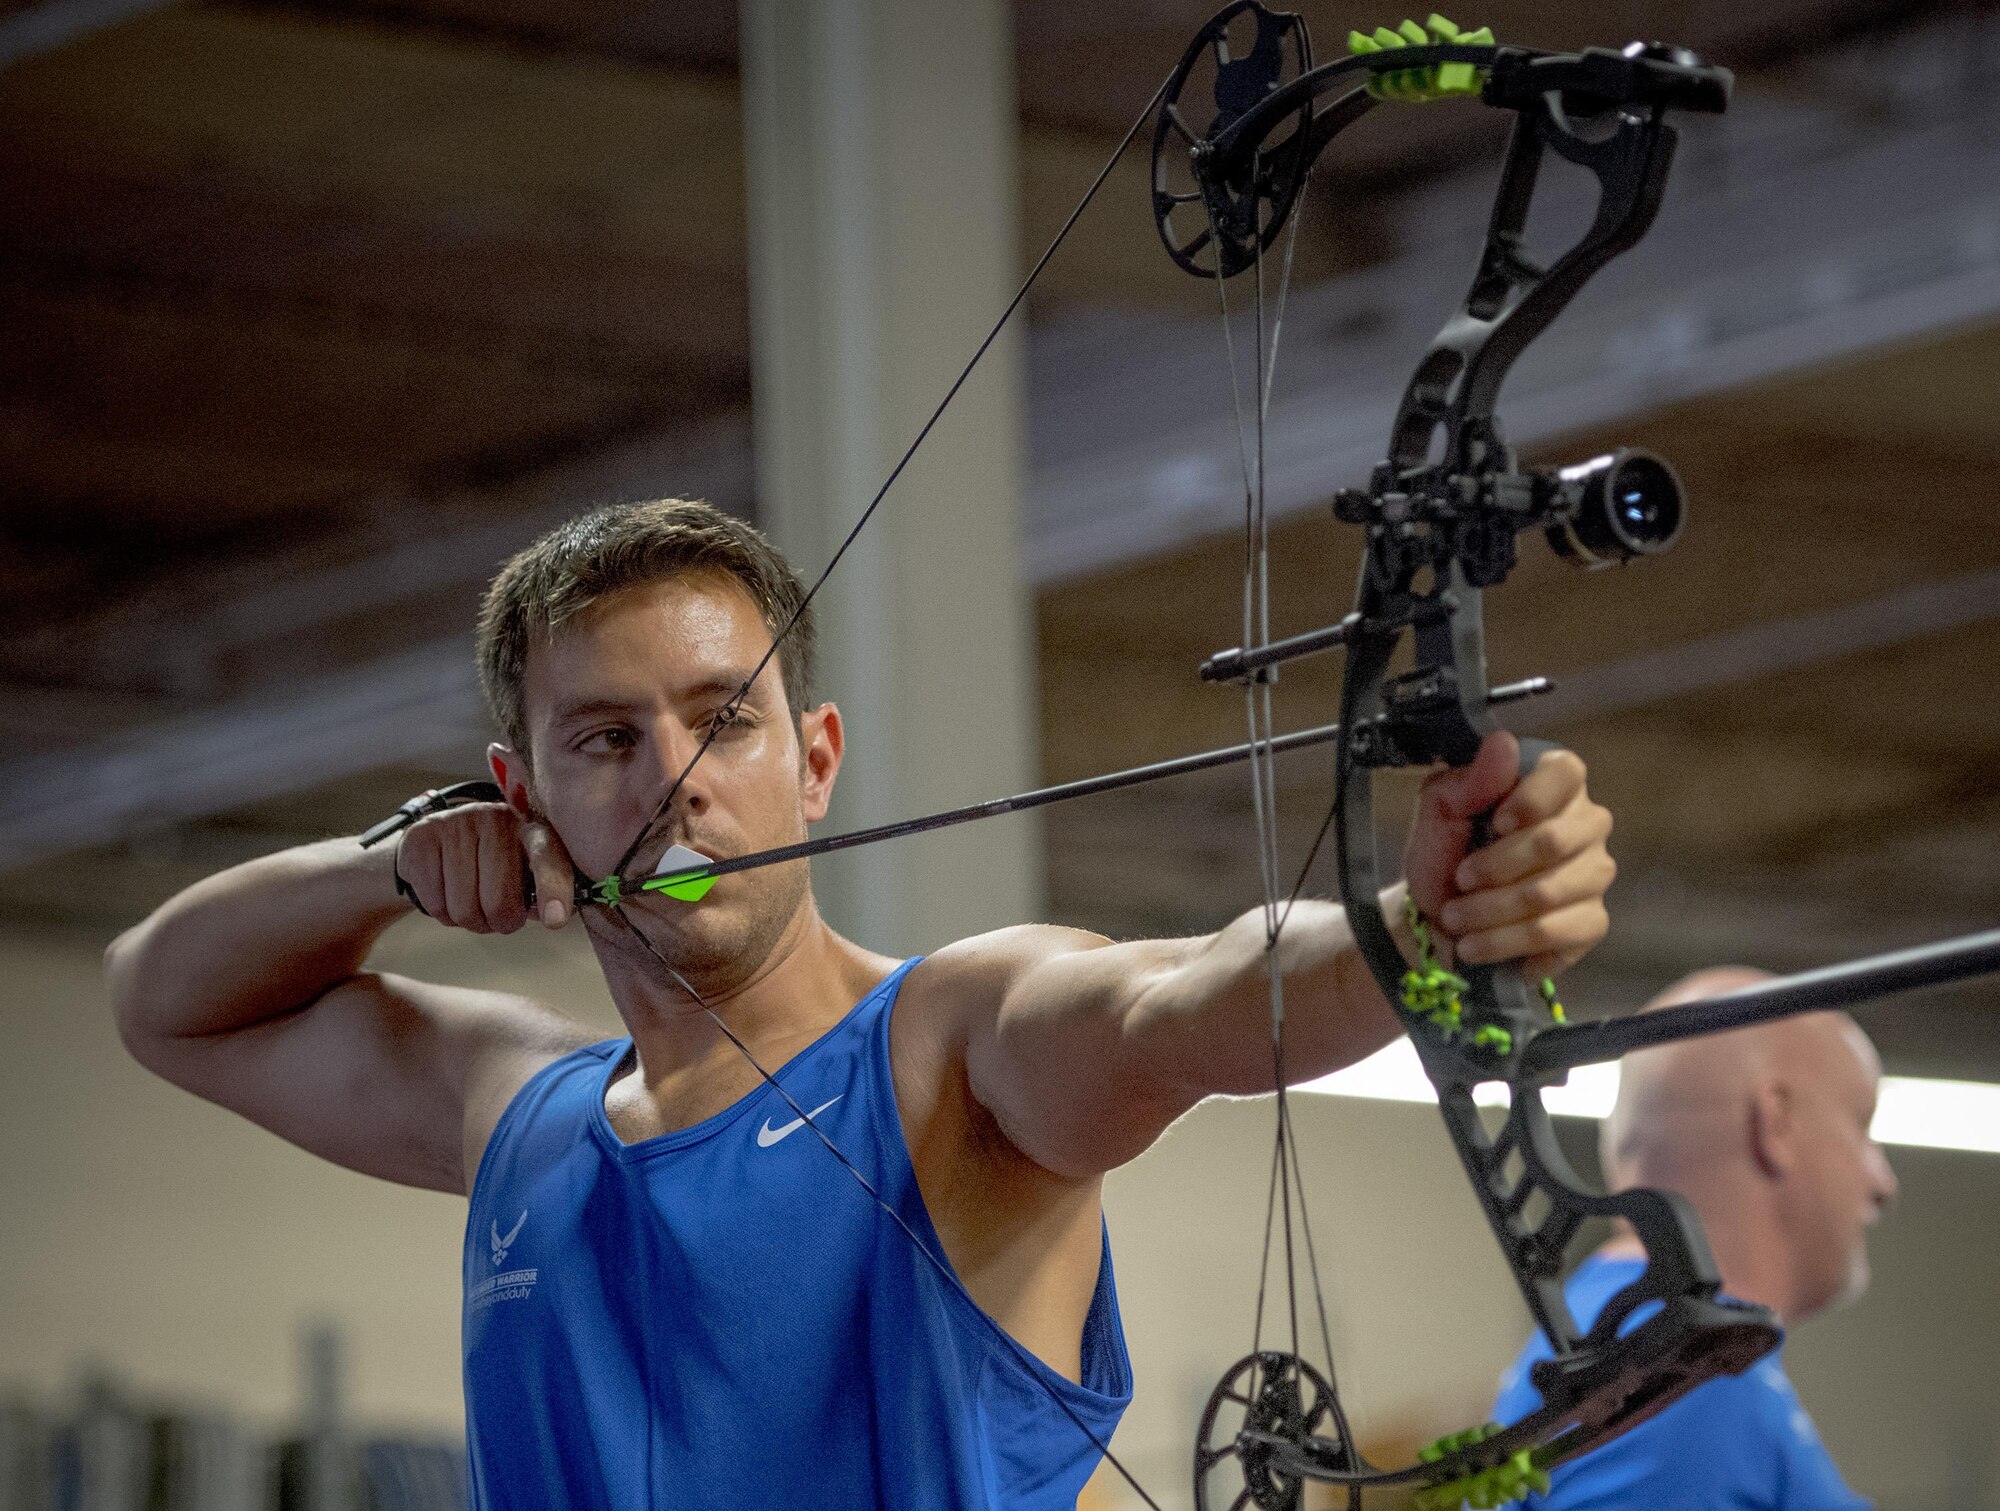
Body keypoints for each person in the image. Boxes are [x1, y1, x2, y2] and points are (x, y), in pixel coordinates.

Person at [107, 498, 1618, 1509]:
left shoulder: (953, 1044)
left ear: (813, 758)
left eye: (724, 717)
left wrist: (1423, 928)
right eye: (604, 738)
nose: (678, 777)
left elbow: (1189, 998)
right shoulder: (515, 1099)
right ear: (526, 795)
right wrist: (396, 867)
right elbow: (162, 997)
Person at [1492, 967, 1898, 1509]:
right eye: (1862, 1125)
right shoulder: (1679, 1377)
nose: (1883, 1183)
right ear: (1776, 1124)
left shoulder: (1636, 1346)